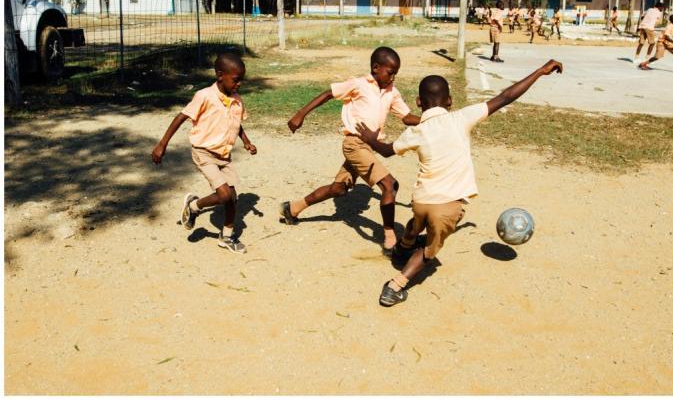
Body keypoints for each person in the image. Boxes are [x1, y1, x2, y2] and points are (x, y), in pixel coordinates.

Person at [355, 59, 564, 306]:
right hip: (448, 207)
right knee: (430, 250)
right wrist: (539, 71)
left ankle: (404, 246)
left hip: (421, 201)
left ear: (419, 103)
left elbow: (388, 150)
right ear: (450, 101)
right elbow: (506, 96)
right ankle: (396, 286)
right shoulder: (461, 117)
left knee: (417, 222)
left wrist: (370, 138)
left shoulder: (416, 131)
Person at [281, 47, 420, 252]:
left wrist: (433, 118)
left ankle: (293, 208)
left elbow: (407, 117)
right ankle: (390, 238)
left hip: (368, 147)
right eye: (390, 72)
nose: (393, 77)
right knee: (390, 186)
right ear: (376, 68)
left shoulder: (392, 92)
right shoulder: (359, 85)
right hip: (354, 145)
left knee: (338, 188)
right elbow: (329, 93)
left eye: (396, 73)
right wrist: (301, 114)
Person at [151, 52, 257, 254]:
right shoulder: (204, 96)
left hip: (224, 155)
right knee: (224, 194)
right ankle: (194, 206)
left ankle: (226, 236)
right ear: (220, 75)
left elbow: (236, 124)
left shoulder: (236, 99)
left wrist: (246, 142)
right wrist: (162, 144)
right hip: (204, 152)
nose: (239, 84)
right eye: (236, 80)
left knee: (232, 197)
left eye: (241, 80)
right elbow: (181, 116)